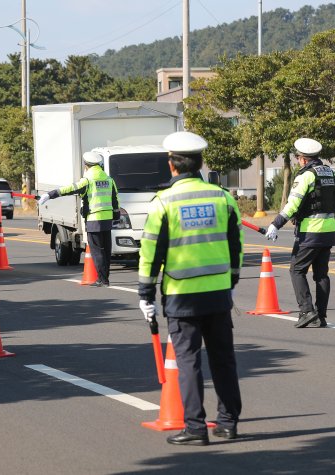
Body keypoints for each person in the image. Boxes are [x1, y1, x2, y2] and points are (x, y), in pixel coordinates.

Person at [138, 131, 243, 446]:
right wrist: (232, 281)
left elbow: (150, 252)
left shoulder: (162, 202)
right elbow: (236, 245)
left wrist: (145, 294)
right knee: (224, 359)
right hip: (219, 294)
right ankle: (227, 423)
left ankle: (196, 428)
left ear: (171, 165)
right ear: (200, 162)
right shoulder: (222, 198)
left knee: (188, 361)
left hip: (182, 297)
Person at [265, 138, 335, 328]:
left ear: (304, 159)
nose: (298, 161)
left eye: (298, 158)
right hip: (329, 231)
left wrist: (276, 224)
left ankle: (307, 311)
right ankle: (321, 316)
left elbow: (293, 205)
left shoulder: (305, 176)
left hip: (310, 232)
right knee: (321, 275)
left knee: (296, 269)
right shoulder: (332, 174)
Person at [38, 151, 119, 286]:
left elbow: (69, 189)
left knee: (97, 251)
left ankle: (103, 280)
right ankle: (105, 278)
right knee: (105, 250)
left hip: (94, 220)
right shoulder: (109, 180)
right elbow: (115, 199)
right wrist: (115, 214)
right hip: (107, 220)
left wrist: (50, 195)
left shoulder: (87, 181)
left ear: (86, 166)